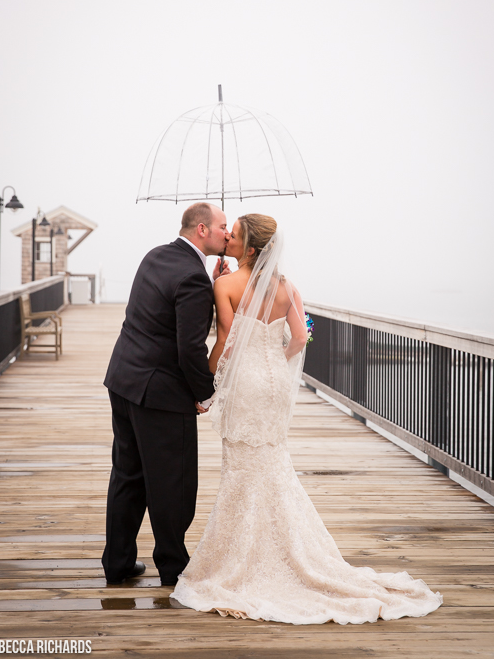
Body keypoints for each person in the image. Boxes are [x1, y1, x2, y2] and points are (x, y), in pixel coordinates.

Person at [171, 214, 443, 624]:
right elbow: (302, 335)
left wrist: (207, 389)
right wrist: (276, 364)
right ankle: (292, 550)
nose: (228, 238)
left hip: (244, 381)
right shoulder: (286, 288)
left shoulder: (224, 284)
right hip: (276, 382)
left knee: (243, 466)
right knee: (273, 461)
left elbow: (225, 342)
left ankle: (242, 557)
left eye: (236, 236)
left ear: (247, 248)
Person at [101, 202, 229, 586]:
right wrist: (205, 394)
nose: (228, 233)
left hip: (123, 380)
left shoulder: (156, 256)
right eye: (223, 226)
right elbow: (190, 349)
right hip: (160, 393)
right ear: (203, 229)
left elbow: (159, 312)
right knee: (173, 482)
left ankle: (118, 563)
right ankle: (173, 566)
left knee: (128, 475)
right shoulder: (192, 277)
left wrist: (209, 283)